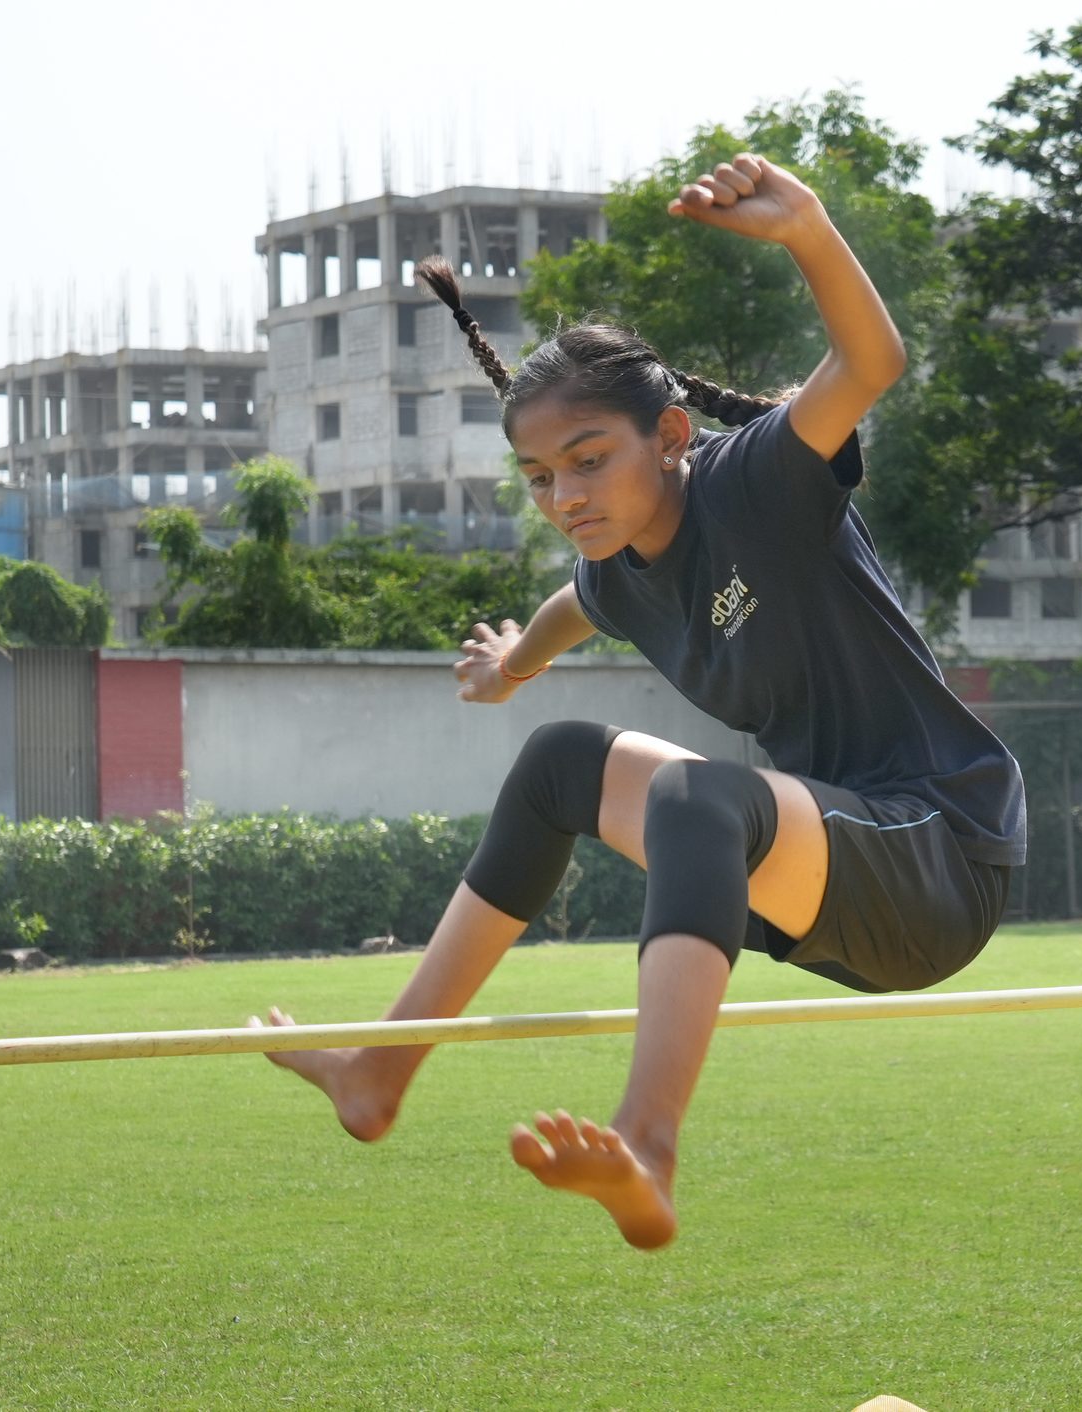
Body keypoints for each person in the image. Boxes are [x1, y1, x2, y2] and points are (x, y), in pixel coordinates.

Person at [253, 154, 1026, 1249]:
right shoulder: (615, 571)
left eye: (588, 460)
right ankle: (377, 1072)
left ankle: (648, 1145)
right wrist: (504, 669)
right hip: (836, 879)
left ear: (667, 439)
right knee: (564, 760)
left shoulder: (756, 482)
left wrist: (805, 226)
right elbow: (560, 617)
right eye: (539, 477)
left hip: (942, 849)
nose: (566, 497)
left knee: (700, 801)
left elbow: (872, 359)